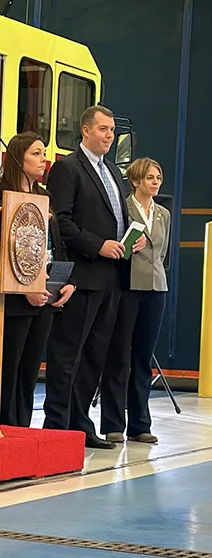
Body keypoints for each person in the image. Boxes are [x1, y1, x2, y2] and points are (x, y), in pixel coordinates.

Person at [44, 105, 146, 449]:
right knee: (68, 352)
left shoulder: (114, 173)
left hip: (111, 277)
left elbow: (115, 217)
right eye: (103, 129)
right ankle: (57, 423)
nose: (109, 136)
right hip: (82, 275)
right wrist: (97, 245)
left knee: (94, 355)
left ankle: (80, 423)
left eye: (112, 131)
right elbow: (62, 223)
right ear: (86, 130)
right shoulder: (67, 168)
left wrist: (131, 239)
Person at [0, 132, 75, 427]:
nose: (44, 159)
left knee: (29, 373)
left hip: (45, 295)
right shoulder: (0, 195)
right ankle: (5, 428)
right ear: (17, 158)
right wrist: (25, 290)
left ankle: (22, 430)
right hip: (16, 300)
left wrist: (66, 281)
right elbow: (1, 250)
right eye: (36, 153)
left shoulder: (45, 196)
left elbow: (57, 244)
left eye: (43, 153)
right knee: (9, 370)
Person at [100, 158, 171, 444]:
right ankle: (113, 422)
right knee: (119, 355)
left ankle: (140, 424)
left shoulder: (163, 214)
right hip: (127, 285)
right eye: (150, 178)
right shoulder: (123, 208)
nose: (155, 183)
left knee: (143, 358)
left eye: (158, 178)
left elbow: (162, 254)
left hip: (155, 288)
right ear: (136, 181)